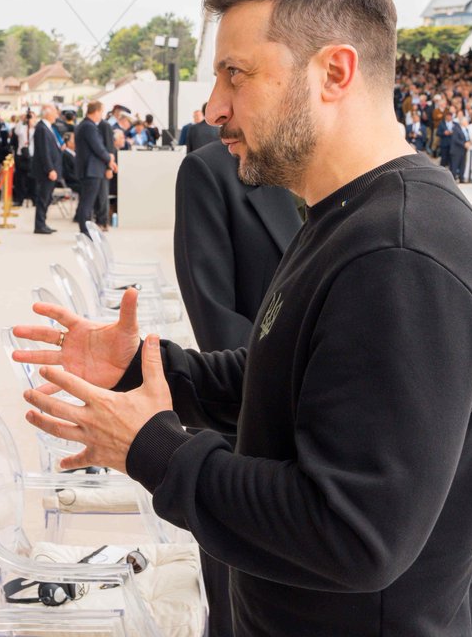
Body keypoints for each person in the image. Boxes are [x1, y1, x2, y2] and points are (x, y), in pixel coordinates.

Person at [15, 0, 472, 637]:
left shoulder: (401, 254)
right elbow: (291, 378)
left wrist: (154, 449)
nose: (214, 106)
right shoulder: (346, 217)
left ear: (334, 73)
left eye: (236, 75)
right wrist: (151, 369)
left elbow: (353, 532)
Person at [172, 137, 302, 637]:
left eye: (236, 75)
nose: (214, 109)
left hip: (322, 452)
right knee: (235, 614)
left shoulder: (359, 188)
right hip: (248, 429)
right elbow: (215, 317)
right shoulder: (209, 172)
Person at [74, 101, 115, 236]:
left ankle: (85, 229)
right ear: (96, 111)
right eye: (101, 112)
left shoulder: (85, 125)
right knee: (87, 202)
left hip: (89, 169)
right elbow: (98, 147)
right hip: (91, 170)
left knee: (87, 201)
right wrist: (110, 160)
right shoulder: (89, 127)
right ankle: (85, 231)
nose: (101, 115)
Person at [30, 103, 62, 234]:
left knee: (47, 197)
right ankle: (39, 224)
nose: (57, 115)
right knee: (43, 197)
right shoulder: (42, 128)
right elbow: (44, 151)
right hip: (46, 171)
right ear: (47, 113)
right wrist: (50, 169)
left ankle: (42, 222)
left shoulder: (48, 127)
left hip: (51, 169)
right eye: (54, 112)